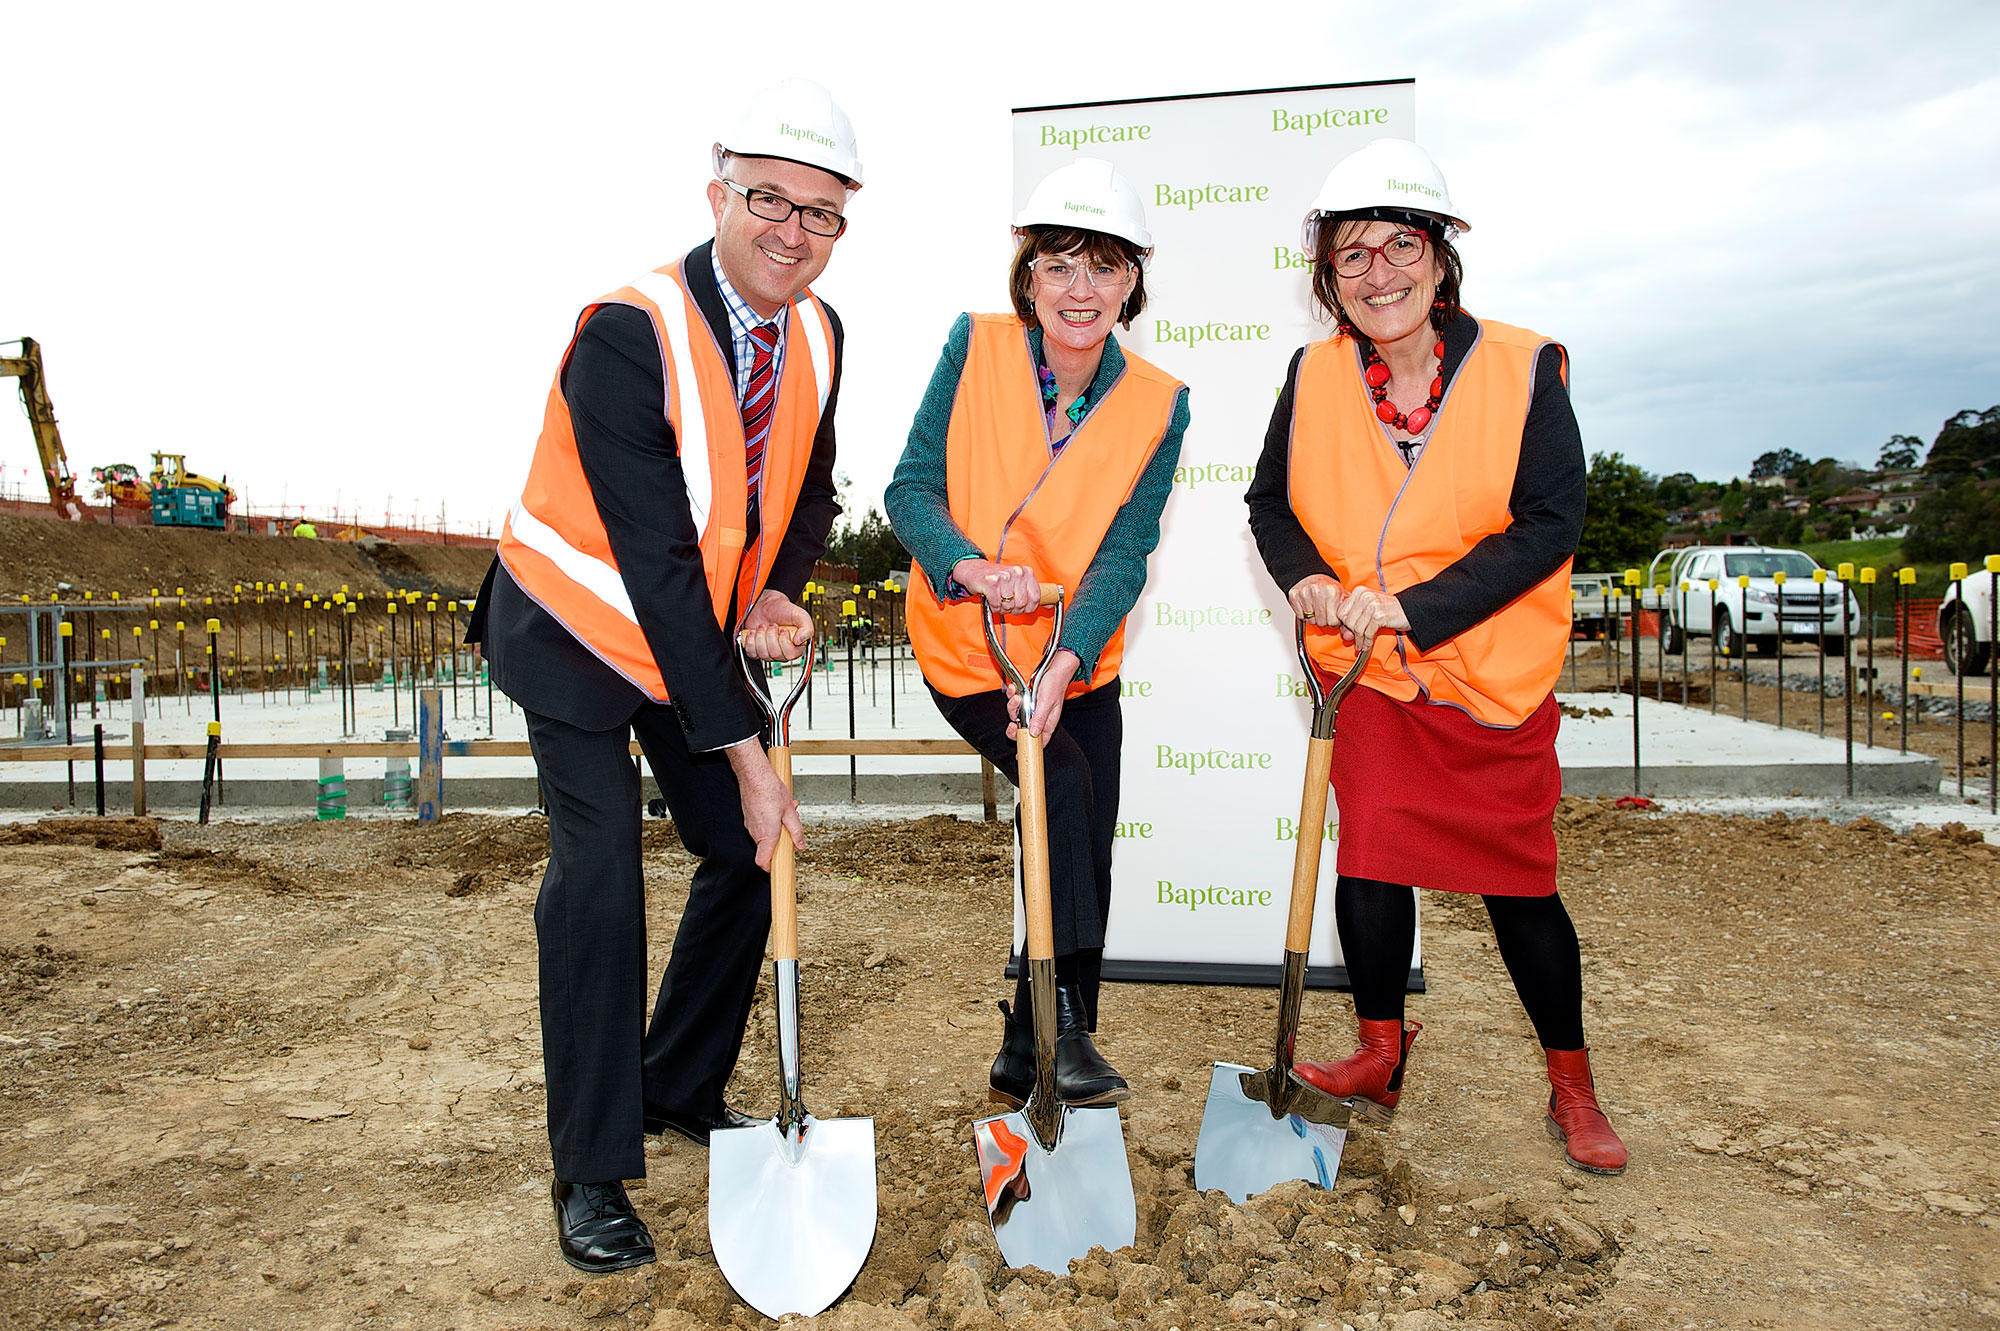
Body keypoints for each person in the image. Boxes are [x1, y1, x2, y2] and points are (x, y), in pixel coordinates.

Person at [464, 79, 861, 1271]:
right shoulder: (625, 333)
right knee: (599, 877)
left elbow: (807, 487)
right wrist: (746, 753)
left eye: (820, 212)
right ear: (716, 194)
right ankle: (590, 1165)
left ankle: (673, 1082)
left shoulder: (821, 334)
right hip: (575, 630)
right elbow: (654, 563)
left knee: (748, 848)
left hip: (686, 639)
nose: (792, 230)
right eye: (768, 200)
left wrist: (779, 584)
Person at [1243, 138, 1626, 1174]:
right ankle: (1380, 1050)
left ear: (1440, 254)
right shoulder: (1311, 374)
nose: (1378, 273)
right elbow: (1269, 503)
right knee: (1368, 856)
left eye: (1399, 246)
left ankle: (1572, 1083)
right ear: (1328, 276)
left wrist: (1413, 608)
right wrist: (1304, 577)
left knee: (1519, 885)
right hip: (1365, 671)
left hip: (1487, 674)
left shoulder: (1523, 366)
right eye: (1351, 255)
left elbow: (1548, 523)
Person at [886, 158, 1189, 1110]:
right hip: (970, 644)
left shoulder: (1160, 402)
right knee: (1057, 783)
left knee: (1087, 829)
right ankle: (1066, 1027)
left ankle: (1032, 1050)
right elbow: (910, 489)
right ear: (1028, 275)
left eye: (1103, 266)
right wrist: (970, 565)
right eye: (1059, 265)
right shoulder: (975, 347)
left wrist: (1065, 659)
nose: (1079, 289)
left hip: (1076, 655)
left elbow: (1125, 553)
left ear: (1133, 280)